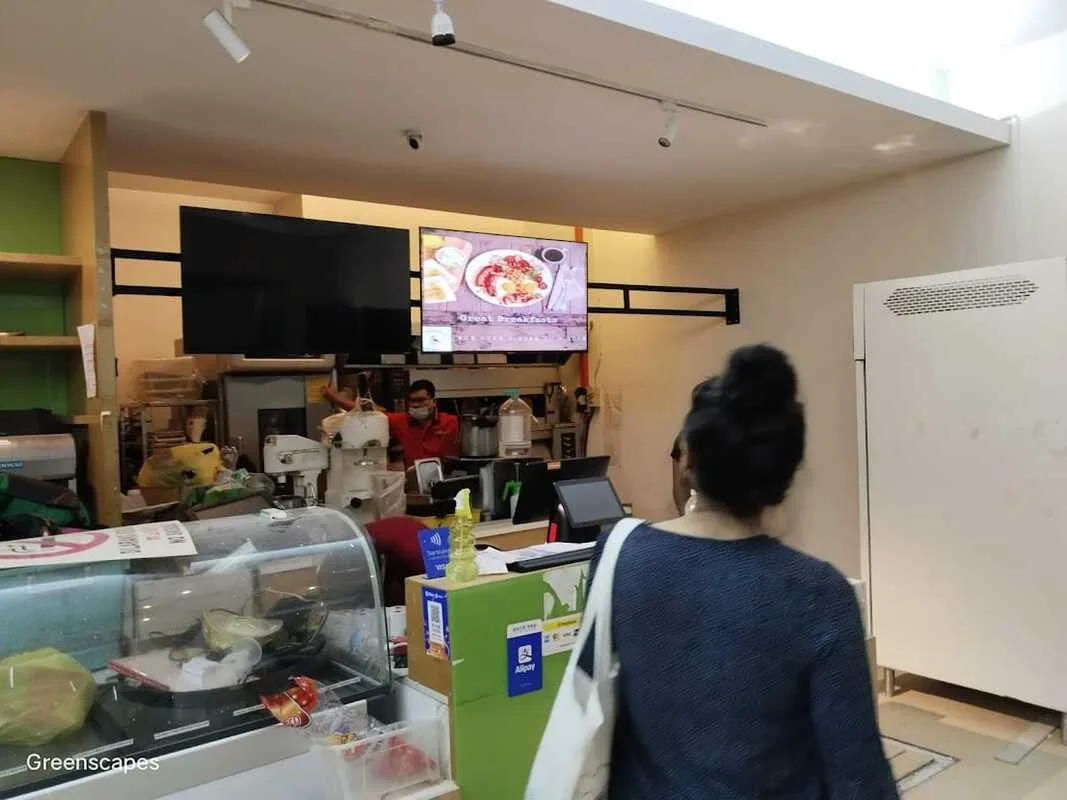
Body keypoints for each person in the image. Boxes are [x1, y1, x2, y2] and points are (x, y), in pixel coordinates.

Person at [586, 344, 897, 800]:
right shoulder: (819, 595)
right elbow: (859, 779)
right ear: (786, 476)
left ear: (688, 460)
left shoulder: (619, 555)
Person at [323, 379, 459, 469]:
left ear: (434, 401)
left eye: (421, 400)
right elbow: (370, 412)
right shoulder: (401, 422)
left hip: (447, 479)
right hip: (414, 481)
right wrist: (335, 398)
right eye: (412, 401)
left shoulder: (452, 422)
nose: (416, 405)